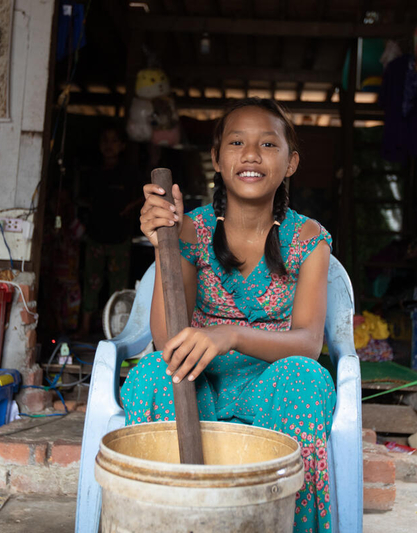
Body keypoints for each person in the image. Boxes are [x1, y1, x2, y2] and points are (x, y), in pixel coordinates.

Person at [124, 98, 336, 533]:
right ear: (218, 160)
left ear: (291, 163)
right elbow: (168, 340)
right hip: (203, 382)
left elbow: (309, 343)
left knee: (308, 378)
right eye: (237, 142)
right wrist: (164, 242)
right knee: (154, 372)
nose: (252, 154)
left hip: (272, 387)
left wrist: (230, 334)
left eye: (268, 144)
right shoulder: (189, 228)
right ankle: (167, 522)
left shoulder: (309, 238)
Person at [78, 123, 141, 336]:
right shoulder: (93, 173)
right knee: (91, 283)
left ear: (122, 146)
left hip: (120, 238)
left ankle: (116, 333)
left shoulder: (128, 174)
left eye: (114, 141)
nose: (109, 145)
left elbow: (145, 194)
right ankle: (85, 328)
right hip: (95, 237)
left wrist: (129, 208)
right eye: (105, 140)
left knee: (118, 287)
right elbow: (81, 199)